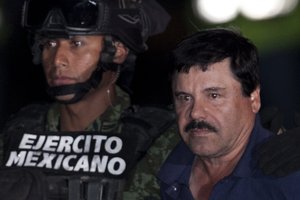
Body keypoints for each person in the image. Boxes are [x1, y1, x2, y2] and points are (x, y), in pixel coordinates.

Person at [0, 0, 179, 199]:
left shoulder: (159, 138)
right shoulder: (18, 131)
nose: (58, 59)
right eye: (49, 44)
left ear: (117, 51)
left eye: (76, 44)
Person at [158, 27, 300, 200]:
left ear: (254, 98)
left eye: (214, 95)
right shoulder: (155, 163)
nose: (195, 113)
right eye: (185, 98)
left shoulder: (289, 180)